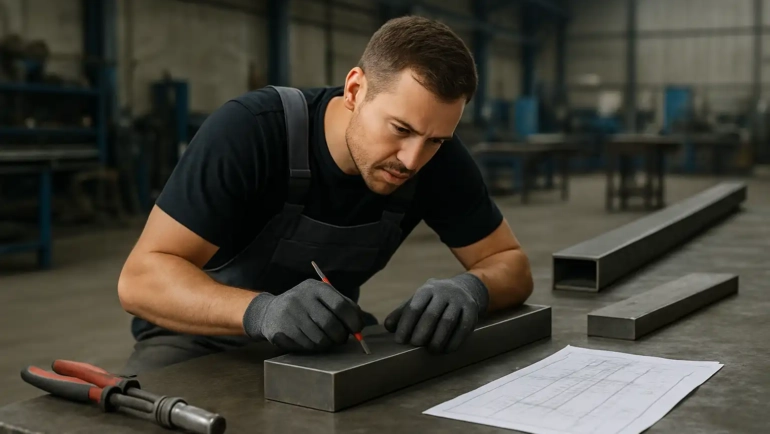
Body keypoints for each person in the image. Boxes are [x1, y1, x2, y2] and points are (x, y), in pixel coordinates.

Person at [117, 15, 533, 375]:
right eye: (400, 130)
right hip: (200, 341)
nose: (412, 160)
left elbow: (511, 265)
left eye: (436, 140)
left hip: (325, 341)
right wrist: (261, 312)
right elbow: (141, 280)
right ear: (354, 90)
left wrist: (470, 290)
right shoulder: (250, 131)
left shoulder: (436, 157)